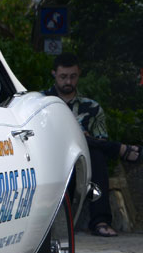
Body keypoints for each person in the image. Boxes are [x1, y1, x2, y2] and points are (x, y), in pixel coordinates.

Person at [45, 53, 141, 237]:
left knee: (95, 153)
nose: (68, 81)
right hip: (52, 157)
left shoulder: (92, 107)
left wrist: (84, 139)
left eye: (73, 76)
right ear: (54, 74)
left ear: (79, 74)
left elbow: (101, 140)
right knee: (76, 138)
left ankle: (100, 221)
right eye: (63, 76)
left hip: (82, 162)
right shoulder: (44, 103)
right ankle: (120, 150)